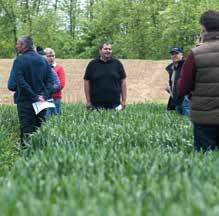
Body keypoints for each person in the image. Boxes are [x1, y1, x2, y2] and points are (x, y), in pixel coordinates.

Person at [177, 10, 219, 151]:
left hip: (205, 119)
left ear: (203, 28)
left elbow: (183, 88)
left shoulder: (195, 54)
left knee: (206, 164)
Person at [8, 36, 54, 146]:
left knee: (26, 132)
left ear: (24, 46)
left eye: (18, 44)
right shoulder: (43, 60)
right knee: (39, 131)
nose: (16, 46)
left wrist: (34, 96)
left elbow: (20, 82)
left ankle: (26, 159)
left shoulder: (19, 60)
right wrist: (43, 95)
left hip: (25, 102)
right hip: (42, 103)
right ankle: (39, 157)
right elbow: (50, 81)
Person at [84, 42, 127, 110]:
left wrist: (124, 101)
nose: (108, 51)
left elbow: (123, 82)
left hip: (115, 104)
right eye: (105, 49)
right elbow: (86, 82)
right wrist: (88, 101)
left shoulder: (117, 64)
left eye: (110, 49)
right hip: (96, 105)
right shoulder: (92, 64)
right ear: (100, 50)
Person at [165, 46, 191, 117]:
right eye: (172, 54)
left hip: (185, 99)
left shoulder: (186, 65)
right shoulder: (172, 68)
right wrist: (169, 88)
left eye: (176, 53)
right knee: (180, 123)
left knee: (188, 122)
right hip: (177, 100)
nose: (174, 55)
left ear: (181, 55)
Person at [44, 48, 65, 114]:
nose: (51, 58)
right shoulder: (41, 68)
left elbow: (61, 84)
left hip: (56, 98)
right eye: (49, 56)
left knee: (55, 120)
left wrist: (46, 90)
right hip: (44, 99)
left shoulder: (59, 68)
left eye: (53, 56)